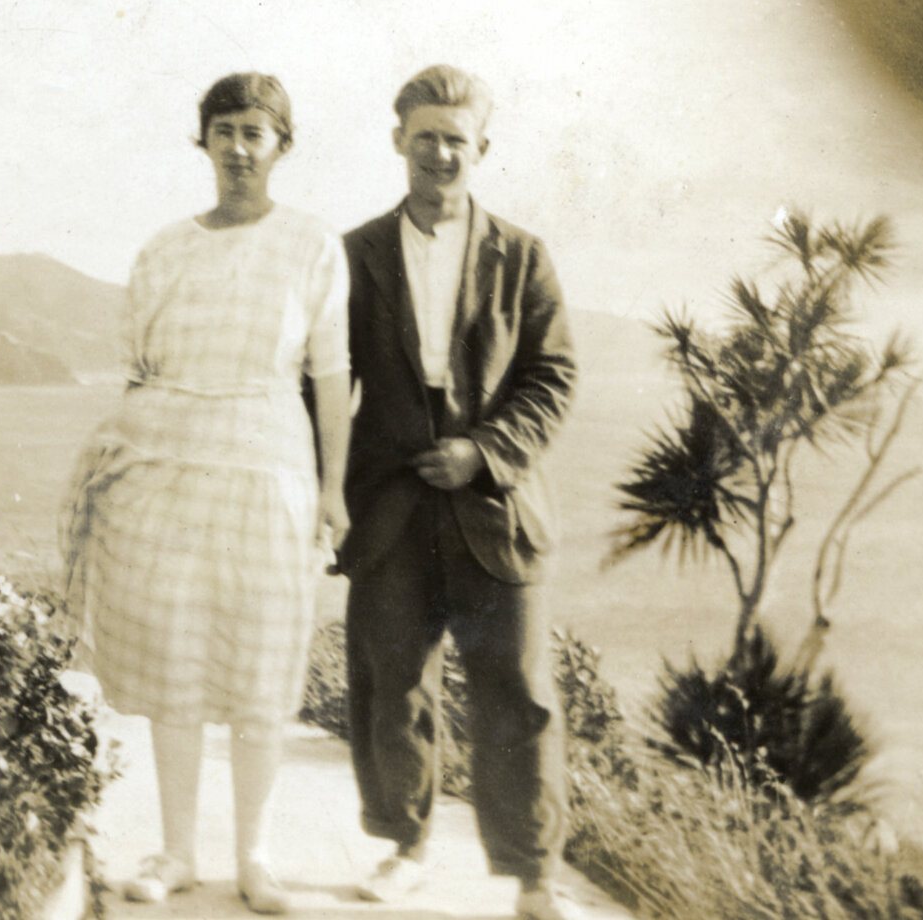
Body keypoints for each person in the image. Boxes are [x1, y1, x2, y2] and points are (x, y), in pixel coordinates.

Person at [61, 73, 351, 915]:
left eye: (254, 132)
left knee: (261, 662)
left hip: (270, 472)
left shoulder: (310, 244)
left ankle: (255, 858)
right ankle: (178, 851)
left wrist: (333, 492)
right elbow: (141, 374)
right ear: (203, 141)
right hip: (164, 475)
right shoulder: (163, 248)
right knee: (175, 661)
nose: (236, 148)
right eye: (222, 130)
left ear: (281, 146)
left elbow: (330, 377)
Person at [334, 65, 580, 920]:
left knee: (516, 691)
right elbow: (324, 384)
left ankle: (533, 879)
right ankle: (404, 849)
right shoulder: (353, 254)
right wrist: (323, 493)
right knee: (390, 682)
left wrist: (482, 453)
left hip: (493, 507)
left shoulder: (522, 255)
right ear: (398, 138)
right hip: (390, 511)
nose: (441, 152)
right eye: (425, 135)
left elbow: (552, 376)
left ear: (482, 149)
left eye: (457, 139)